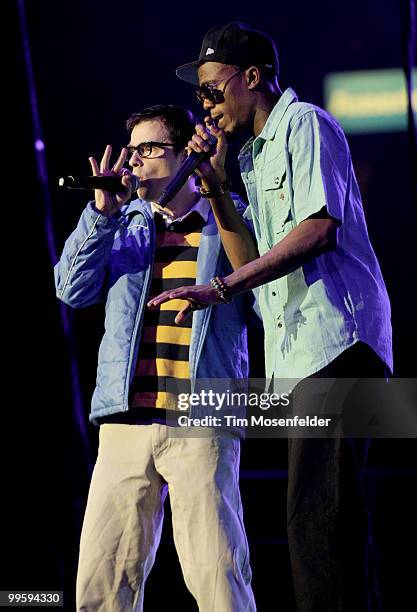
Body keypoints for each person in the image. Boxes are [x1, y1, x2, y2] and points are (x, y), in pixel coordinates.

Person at [148, 24, 393, 612]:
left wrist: (224, 287)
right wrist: (212, 186)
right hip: (301, 359)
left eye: (210, 91)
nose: (204, 107)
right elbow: (250, 260)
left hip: (340, 341)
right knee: (324, 522)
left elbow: (317, 230)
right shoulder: (252, 160)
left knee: (319, 520)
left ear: (251, 78)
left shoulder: (305, 123)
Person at [54, 104, 256, 611]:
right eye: (131, 151)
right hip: (125, 422)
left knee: (219, 576)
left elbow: (262, 287)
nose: (134, 161)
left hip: (201, 419)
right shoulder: (121, 225)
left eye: (148, 149)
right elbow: (70, 290)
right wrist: (101, 213)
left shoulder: (229, 219)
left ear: (185, 150)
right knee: (102, 580)